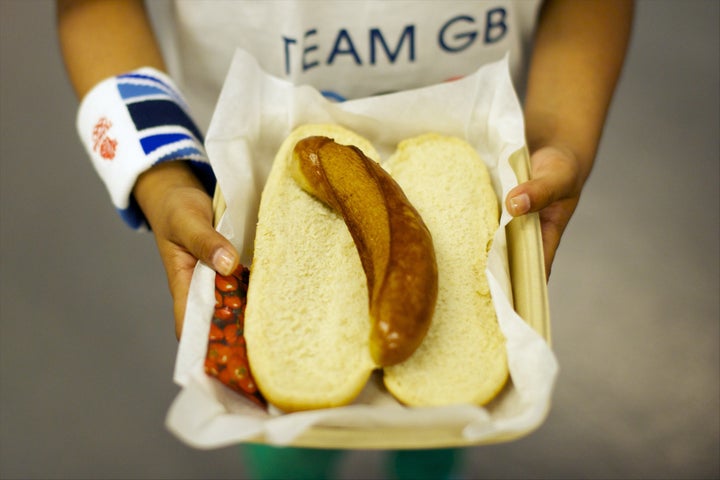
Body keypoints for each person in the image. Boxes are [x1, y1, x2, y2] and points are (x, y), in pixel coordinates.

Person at [57, 1, 634, 478]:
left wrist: (560, 136)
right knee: (287, 448)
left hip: (487, 153)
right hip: (243, 169)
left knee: (438, 435)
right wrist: (162, 173)